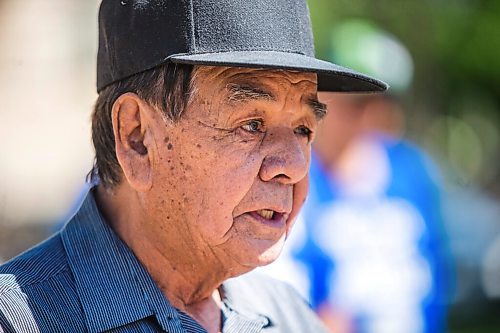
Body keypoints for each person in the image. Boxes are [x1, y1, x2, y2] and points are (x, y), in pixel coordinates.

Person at [0, 1, 386, 332]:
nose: (294, 167)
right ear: (137, 137)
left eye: (303, 128)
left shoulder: (289, 317)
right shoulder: (19, 319)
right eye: (252, 125)